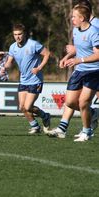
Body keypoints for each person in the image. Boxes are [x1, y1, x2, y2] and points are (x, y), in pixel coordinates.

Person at [47, 0, 99, 139]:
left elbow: (98, 54)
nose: (72, 19)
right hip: (79, 71)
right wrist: (67, 57)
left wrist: (79, 60)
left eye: (74, 16)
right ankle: (92, 114)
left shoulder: (94, 31)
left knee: (83, 102)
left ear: (82, 18)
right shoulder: (76, 30)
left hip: (94, 71)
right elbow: (80, 48)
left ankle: (87, 132)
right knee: (70, 102)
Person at [3, 23, 51, 134]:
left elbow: (47, 54)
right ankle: (35, 126)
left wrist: (39, 68)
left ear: (24, 34)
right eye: (15, 34)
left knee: (28, 106)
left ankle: (45, 116)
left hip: (35, 80)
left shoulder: (33, 44)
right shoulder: (12, 47)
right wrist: (5, 67)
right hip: (23, 80)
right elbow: (9, 62)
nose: (17, 37)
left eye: (19, 34)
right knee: (22, 107)